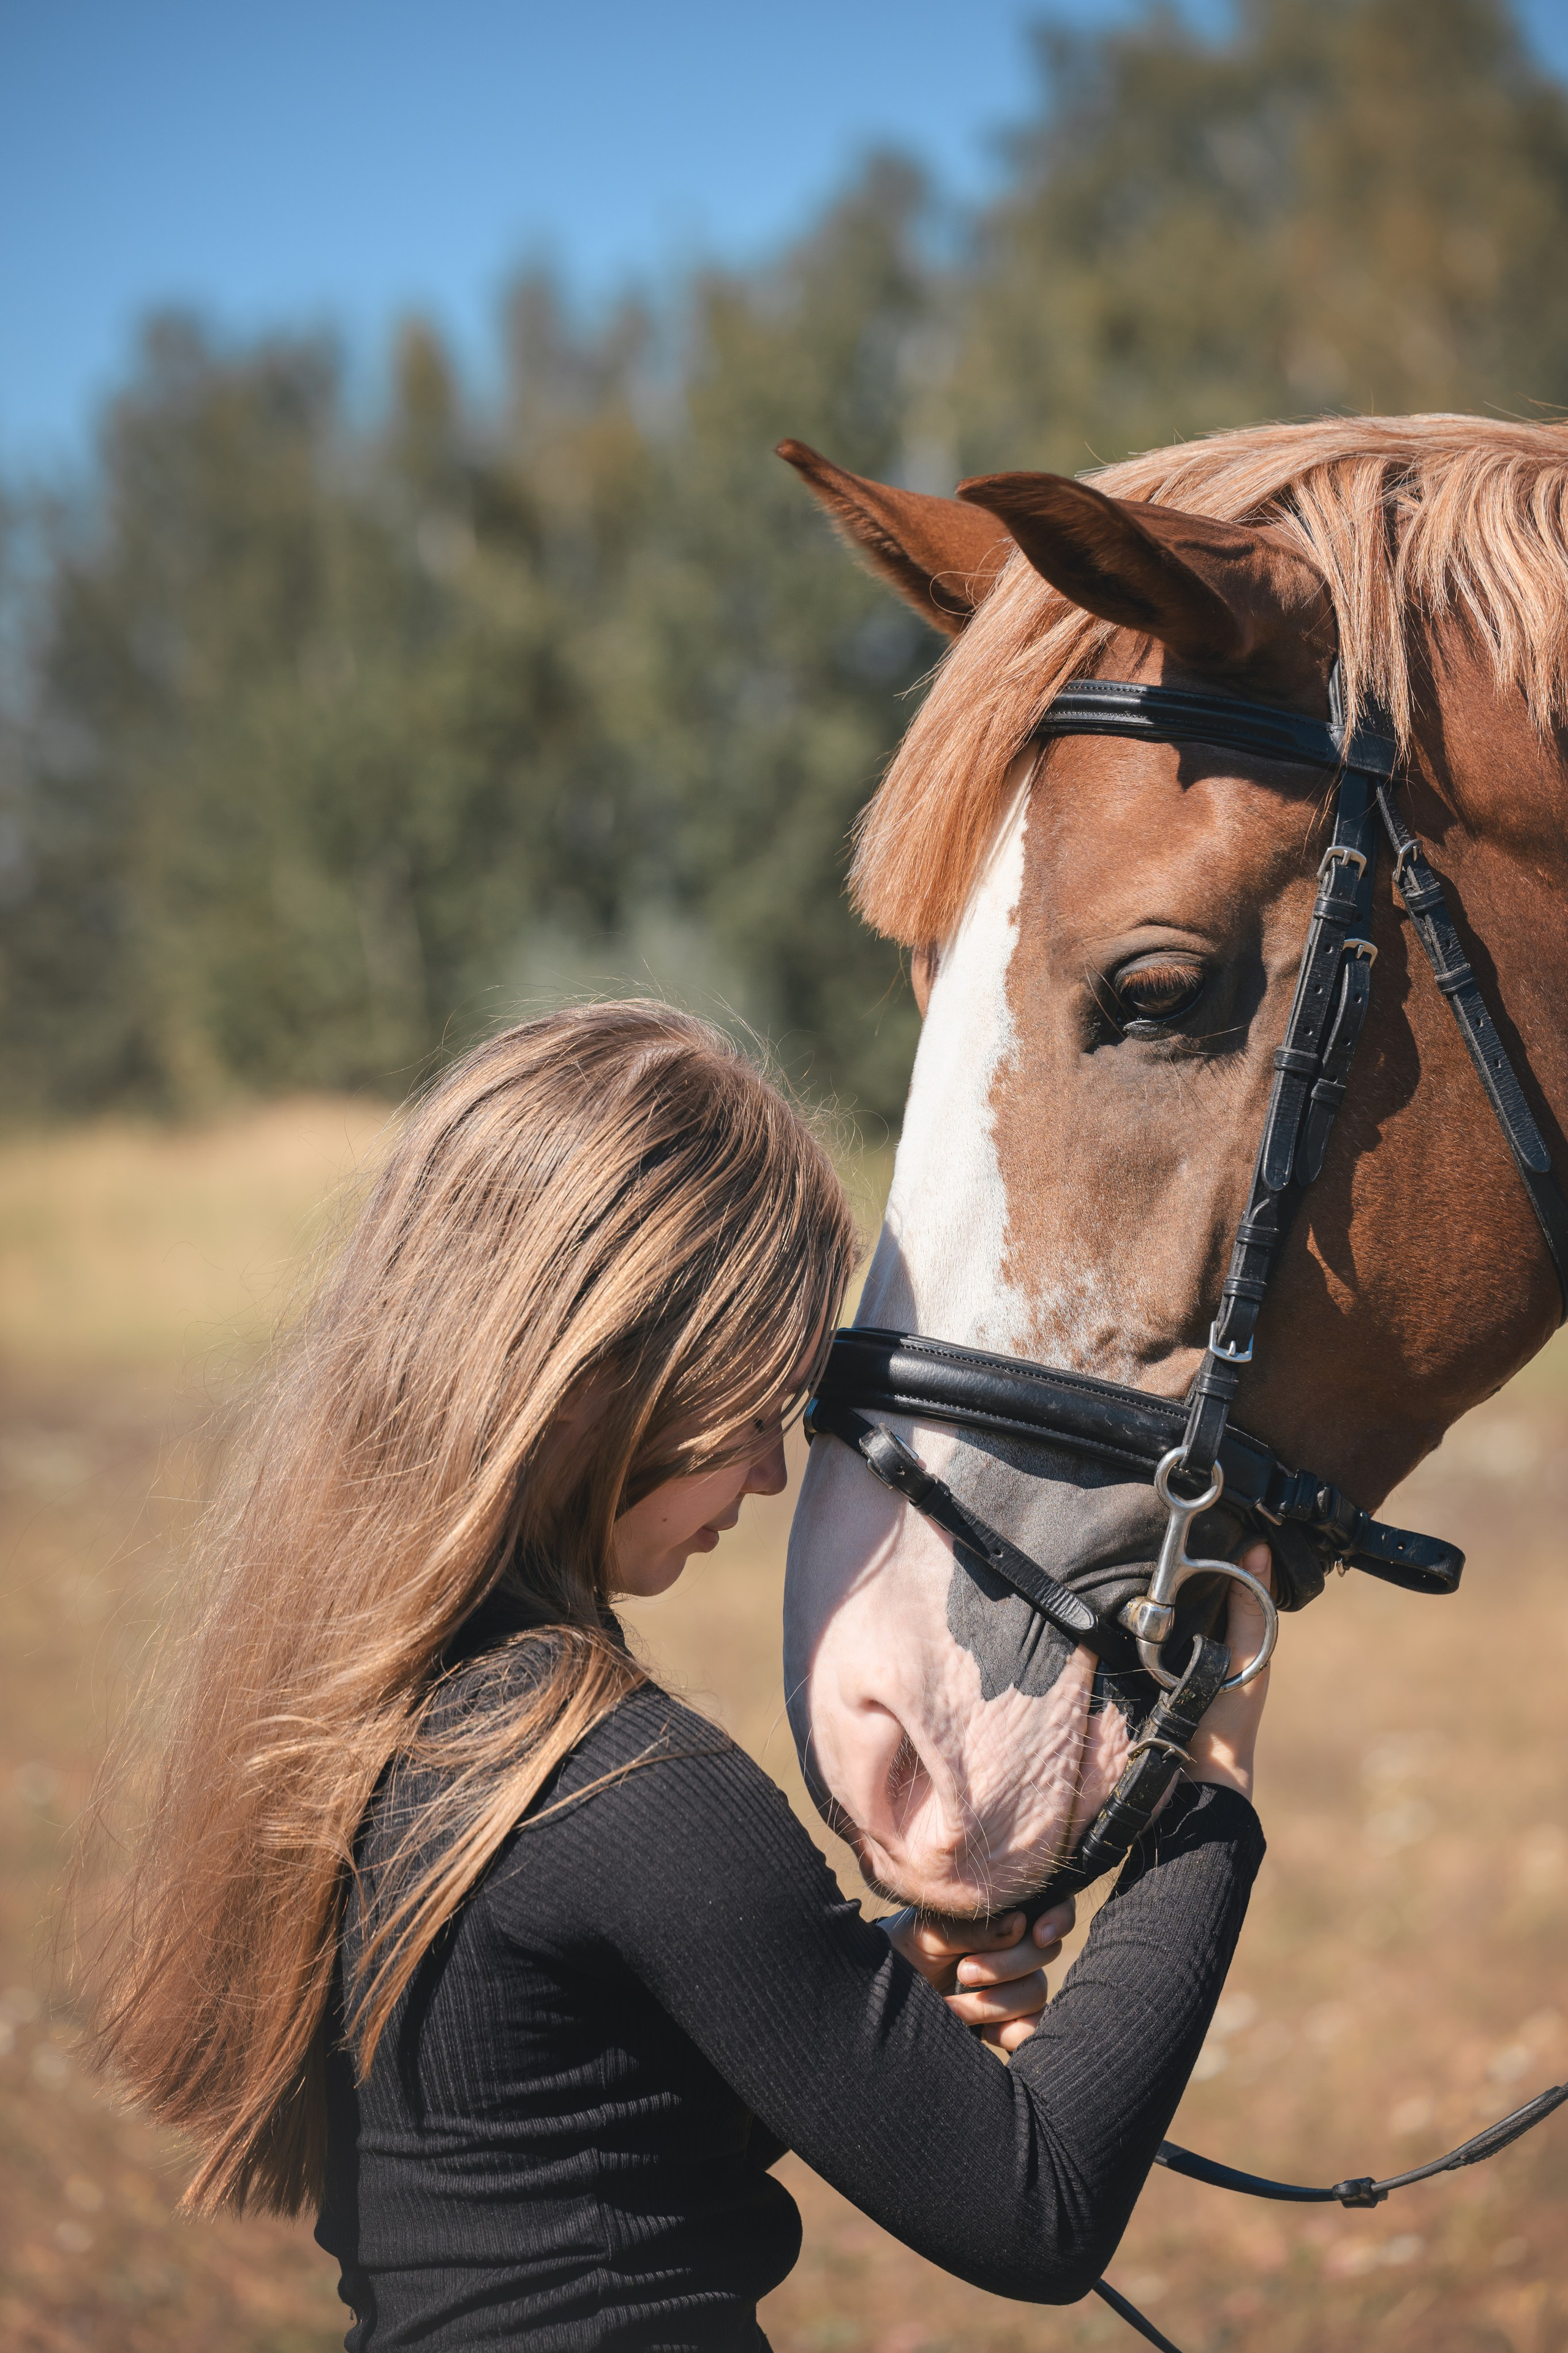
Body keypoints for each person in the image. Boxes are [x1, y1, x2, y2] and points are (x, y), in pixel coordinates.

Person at [82, 1002, 1271, 2351]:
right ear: (596, 1377)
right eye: (749, 1407)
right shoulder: (626, 1790)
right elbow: (1035, 2204)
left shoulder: (405, 1719)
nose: (768, 1473)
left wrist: (851, 1992)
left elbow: (553, 2128)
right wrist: (1202, 1781)